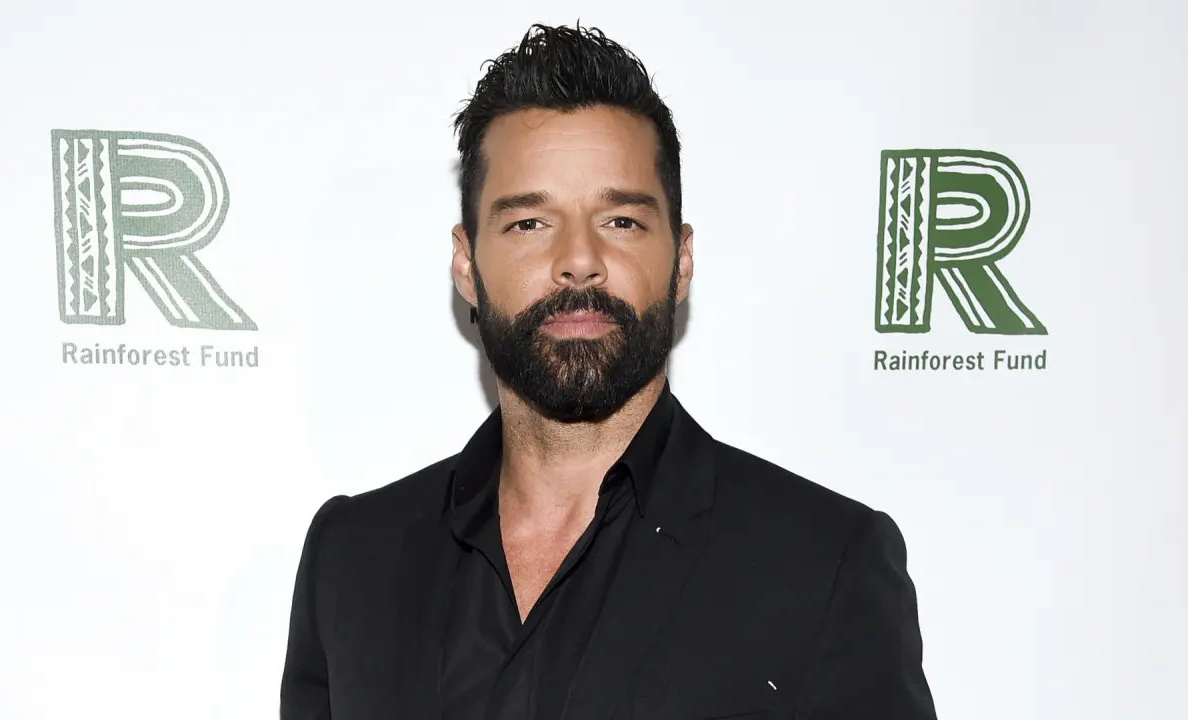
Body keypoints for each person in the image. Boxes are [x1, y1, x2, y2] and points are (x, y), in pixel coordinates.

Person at [280, 23, 937, 719]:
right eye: (529, 223)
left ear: (681, 259)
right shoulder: (352, 558)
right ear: (467, 264)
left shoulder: (823, 564)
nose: (578, 261)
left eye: (621, 221)